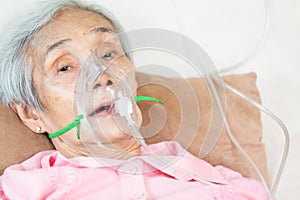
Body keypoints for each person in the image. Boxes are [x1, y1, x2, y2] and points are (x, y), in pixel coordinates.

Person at [0, 0, 272, 199]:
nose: (101, 76)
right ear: (30, 113)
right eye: (65, 67)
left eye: (108, 54)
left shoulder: (211, 179)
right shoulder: (27, 188)